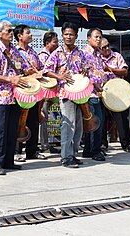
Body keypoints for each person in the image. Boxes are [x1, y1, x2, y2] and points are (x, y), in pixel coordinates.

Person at [0, 20, 32, 175]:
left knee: (12, 130)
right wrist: (9, 79)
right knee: (0, 131)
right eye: (8, 31)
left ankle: (8, 161)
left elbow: (24, 68)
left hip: (15, 96)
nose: (11, 33)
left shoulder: (15, 51)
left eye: (12, 31)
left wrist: (36, 74)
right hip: (0, 96)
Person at [44, 22, 91, 168]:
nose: (68, 37)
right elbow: (46, 70)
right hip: (65, 94)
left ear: (76, 36)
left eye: (71, 34)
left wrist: (85, 72)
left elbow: (86, 69)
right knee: (68, 125)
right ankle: (65, 157)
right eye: (66, 34)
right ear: (62, 35)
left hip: (80, 93)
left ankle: (73, 154)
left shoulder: (80, 53)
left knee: (78, 127)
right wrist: (60, 76)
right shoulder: (57, 53)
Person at [14, 24, 47, 162]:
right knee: (19, 120)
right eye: (28, 33)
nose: (31, 35)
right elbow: (13, 71)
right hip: (21, 91)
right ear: (19, 36)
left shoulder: (33, 52)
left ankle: (32, 150)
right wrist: (24, 73)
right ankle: (16, 151)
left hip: (33, 91)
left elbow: (41, 68)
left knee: (33, 120)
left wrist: (39, 73)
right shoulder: (14, 51)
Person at [100, 37, 130, 153]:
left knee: (121, 119)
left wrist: (109, 69)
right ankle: (102, 144)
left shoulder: (117, 56)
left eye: (108, 45)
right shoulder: (96, 58)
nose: (107, 48)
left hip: (117, 92)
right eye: (103, 47)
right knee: (101, 119)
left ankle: (126, 143)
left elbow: (124, 71)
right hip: (101, 91)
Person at [81, 28, 106, 161]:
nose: (98, 39)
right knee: (94, 122)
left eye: (100, 37)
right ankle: (93, 150)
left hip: (99, 94)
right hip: (89, 94)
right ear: (88, 38)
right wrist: (93, 84)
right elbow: (81, 74)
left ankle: (91, 149)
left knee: (98, 122)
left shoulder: (98, 54)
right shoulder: (83, 54)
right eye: (96, 37)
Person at [38, 31, 59, 153]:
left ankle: (46, 143)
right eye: (54, 42)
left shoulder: (53, 55)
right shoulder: (43, 56)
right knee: (43, 117)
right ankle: (44, 145)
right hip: (44, 91)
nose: (57, 44)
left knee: (46, 118)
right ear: (47, 43)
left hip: (51, 91)